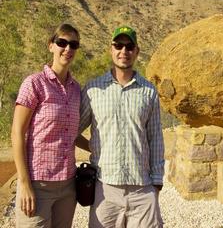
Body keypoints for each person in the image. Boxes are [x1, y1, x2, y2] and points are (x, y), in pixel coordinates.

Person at [76, 25, 164, 228]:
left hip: (142, 186)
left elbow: (155, 138)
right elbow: (72, 131)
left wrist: (156, 182)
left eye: (129, 46)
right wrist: (96, 147)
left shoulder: (149, 91)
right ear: (111, 49)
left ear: (137, 51)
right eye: (118, 45)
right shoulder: (93, 89)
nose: (124, 51)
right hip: (105, 186)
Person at [11, 23, 81, 227]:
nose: (68, 49)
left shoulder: (76, 89)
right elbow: (17, 133)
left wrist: (98, 147)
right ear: (51, 45)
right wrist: (24, 184)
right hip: (37, 184)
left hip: (68, 185)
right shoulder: (34, 84)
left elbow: (71, 133)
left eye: (73, 45)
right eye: (62, 42)